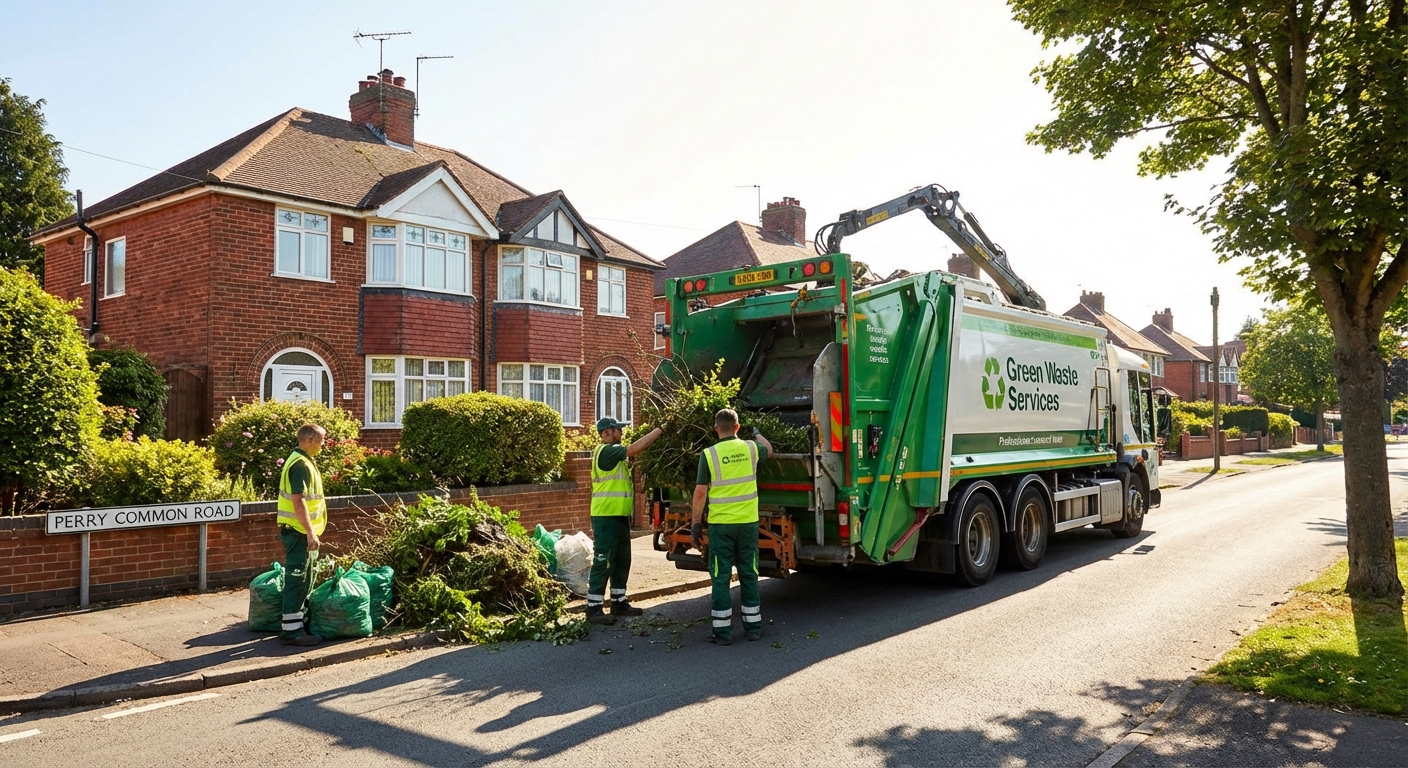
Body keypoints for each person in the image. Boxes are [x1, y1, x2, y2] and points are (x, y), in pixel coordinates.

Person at [691, 408, 772, 645]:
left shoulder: (708, 454)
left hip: (721, 526)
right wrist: (757, 434)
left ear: (716, 428)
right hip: (747, 524)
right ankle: (753, 628)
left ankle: (723, 632)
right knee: (749, 573)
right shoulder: (750, 447)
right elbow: (769, 450)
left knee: (720, 576)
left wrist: (695, 524)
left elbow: (700, 492)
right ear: (737, 427)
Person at [585, 416, 663, 625]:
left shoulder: (613, 454)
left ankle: (618, 602)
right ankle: (593, 608)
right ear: (606, 433)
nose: (621, 432)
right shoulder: (606, 451)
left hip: (618, 516)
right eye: (617, 429)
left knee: (621, 560)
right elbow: (634, 449)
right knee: (604, 560)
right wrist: (659, 430)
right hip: (605, 516)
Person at [276, 423, 328, 646]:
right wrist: (310, 533)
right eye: (321, 441)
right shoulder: (300, 464)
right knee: (297, 579)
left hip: (300, 531)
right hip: (298, 532)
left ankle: (298, 624)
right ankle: (291, 632)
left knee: (304, 578)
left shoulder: (301, 460)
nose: (323, 445)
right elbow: (299, 501)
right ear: (309, 440)